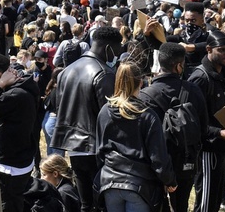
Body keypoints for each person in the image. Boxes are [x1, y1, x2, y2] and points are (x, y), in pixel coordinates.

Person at [51, 26, 122, 212]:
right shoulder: (104, 73)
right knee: (101, 202)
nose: (118, 53)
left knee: (85, 203)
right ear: (108, 48)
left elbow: (59, 107)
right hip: (96, 146)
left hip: (74, 146)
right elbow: (110, 116)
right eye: (117, 48)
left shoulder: (66, 71)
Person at [96, 61, 176, 212]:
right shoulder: (147, 115)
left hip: (109, 181)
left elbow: (99, 150)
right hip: (139, 185)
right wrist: (169, 180)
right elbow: (158, 156)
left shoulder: (104, 111)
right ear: (141, 82)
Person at [140, 40, 208, 212]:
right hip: (185, 160)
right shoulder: (193, 90)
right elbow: (203, 127)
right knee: (181, 205)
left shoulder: (144, 96)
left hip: (154, 163)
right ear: (179, 66)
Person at [0, 52, 40, 212]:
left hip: (10, 163)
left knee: (7, 205)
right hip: (20, 157)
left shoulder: (15, 94)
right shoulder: (25, 85)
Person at [187, 30, 225, 212]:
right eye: (222, 50)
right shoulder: (200, 78)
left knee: (215, 196)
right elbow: (191, 119)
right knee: (206, 200)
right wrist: (216, 132)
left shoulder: (224, 74)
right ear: (208, 49)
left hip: (221, 146)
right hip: (206, 148)